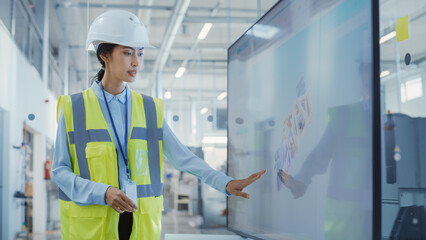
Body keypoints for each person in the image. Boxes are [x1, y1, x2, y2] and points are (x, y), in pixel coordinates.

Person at [52, 10, 266, 240]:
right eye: (127, 53)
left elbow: (183, 157)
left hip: (140, 226)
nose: (136, 62)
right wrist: (102, 192)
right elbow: (60, 171)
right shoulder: (73, 107)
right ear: (104, 55)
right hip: (92, 228)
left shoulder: (149, 109)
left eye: (140, 54)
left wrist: (225, 183)